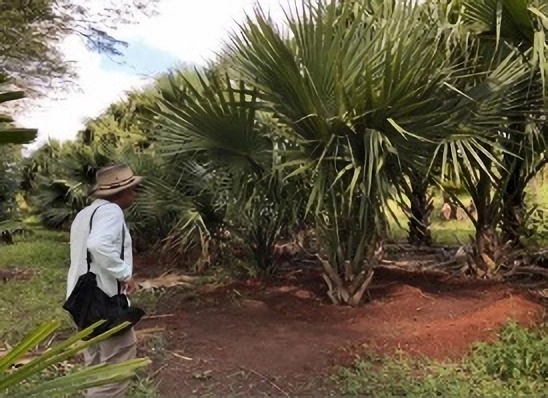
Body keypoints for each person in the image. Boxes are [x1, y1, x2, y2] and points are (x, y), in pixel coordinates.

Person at [66, 163, 143, 397]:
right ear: (121, 193)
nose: (135, 194)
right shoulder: (112, 212)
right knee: (117, 367)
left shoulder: (84, 214)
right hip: (103, 302)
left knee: (96, 364)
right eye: (132, 189)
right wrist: (124, 273)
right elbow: (98, 245)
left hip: (80, 301)